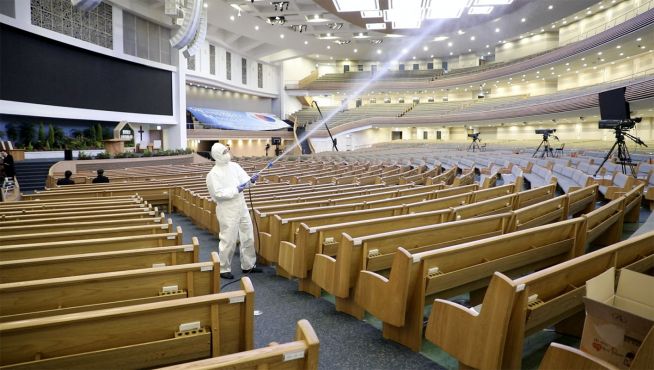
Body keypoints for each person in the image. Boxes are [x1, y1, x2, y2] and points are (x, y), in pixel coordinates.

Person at [206, 143, 262, 279]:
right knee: (228, 239)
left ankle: (248, 264)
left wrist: (252, 180)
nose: (227, 153)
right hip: (227, 209)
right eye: (224, 151)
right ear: (218, 155)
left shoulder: (235, 166)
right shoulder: (213, 174)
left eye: (227, 150)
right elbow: (218, 194)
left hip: (241, 206)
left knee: (248, 235)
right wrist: (237, 189)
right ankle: (224, 268)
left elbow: (245, 181)